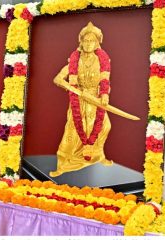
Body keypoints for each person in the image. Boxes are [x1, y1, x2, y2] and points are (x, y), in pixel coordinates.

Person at [50, 22, 113, 177]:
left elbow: (105, 80)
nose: (88, 44)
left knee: (105, 126)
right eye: (85, 41)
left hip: (96, 100)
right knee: (74, 130)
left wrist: (104, 95)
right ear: (81, 42)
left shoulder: (103, 60)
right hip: (78, 101)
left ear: (97, 42)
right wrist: (75, 90)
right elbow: (57, 79)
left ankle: (98, 156)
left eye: (91, 41)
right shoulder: (74, 60)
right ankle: (63, 164)